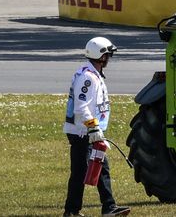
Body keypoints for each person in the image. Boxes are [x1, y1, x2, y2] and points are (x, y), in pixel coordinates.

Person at [62, 37, 131, 217]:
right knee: (80, 172)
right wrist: (93, 127)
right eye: (108, 54)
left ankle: (109, 207)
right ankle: (71, 211)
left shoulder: (93, 74)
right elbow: (81, 106)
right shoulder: (87, 77)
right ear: (100, 56)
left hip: (93, 132)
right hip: (82, 132)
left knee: (102, 168)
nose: (109, 58)